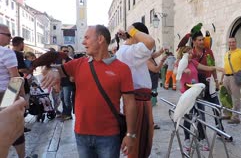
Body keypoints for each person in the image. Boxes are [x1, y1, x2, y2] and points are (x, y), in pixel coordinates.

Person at [40, 25, 137, 157]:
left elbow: (130, 104)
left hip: (109, 135)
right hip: (81, 134)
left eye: (86, 38)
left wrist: (130, 134)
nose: (83, 42)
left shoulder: (122, 69)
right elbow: (52, 69)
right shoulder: (78, 64)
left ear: (100, 39)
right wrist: (53, 71)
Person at [116, 22, 155, 158]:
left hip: (140, 101)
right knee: (138, 146)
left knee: (141, 144)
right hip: (138, 102)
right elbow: (150, 42)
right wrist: (131, 30)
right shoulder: (129, 52)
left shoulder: (126, 51)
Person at [176, 46, 224, 151]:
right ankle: (187, 140)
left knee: (201, 117)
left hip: (197, 95)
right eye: (188, 53)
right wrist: (184, 70)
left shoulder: (193, 62)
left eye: (191, 52)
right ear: (183, 53)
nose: (190, 54)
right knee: (188, 118)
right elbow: (175, 72)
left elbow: (207, 68)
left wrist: (217, 68)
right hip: (187, 95)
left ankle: (201, 139)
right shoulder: (180, 62)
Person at [0, 25, 27, 158]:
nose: (10, 38)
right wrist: (22, 98)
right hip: (6, 94)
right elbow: (15, 79)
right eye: (8, 35)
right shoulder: (6, 52)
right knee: (16, 128)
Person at [220, 37, 241, 124]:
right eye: (230, 42)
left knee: (236, 98)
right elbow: (225, 67)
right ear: (228, 43)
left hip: (234, 77)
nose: (231, 44)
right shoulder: (227, 53)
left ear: (236, 42)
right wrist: (221, 79)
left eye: (233, 42)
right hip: (226, 77)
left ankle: (235, 117)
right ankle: (227, 114)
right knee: (225, 97)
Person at [57, 46, 74, 121]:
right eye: (64, 51)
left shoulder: (70, 60)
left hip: (67, 83)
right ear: (60, 51)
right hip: (60, 82)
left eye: (67, 51)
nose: (66, 52)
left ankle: (68, 114)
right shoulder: (57, 60)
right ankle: (64, 113)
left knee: (67, 99)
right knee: (62, 98)